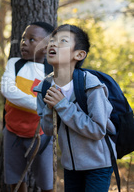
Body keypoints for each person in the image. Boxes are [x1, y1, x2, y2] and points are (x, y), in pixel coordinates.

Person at [36, 24, 116, 192]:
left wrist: (63, 105)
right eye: (52, 40)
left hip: (99, 165)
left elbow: (97, 130)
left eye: (62, 41)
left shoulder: (90, 85)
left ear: (79, 54)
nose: (53, 44)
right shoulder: (44, 87)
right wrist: (51, 109)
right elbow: (49, 130)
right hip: (71, 167)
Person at [1, 22, 54, 192]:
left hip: (41, 136)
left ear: (46, 48)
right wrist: (40, 105)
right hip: (12, 132)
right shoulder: (14, 64)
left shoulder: (52, 72)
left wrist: (44, 105)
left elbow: (53, 101)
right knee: (14, 179)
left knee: (46, 182)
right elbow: (8, 90)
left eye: (32, 40)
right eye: (24, 38)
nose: (24, 42)